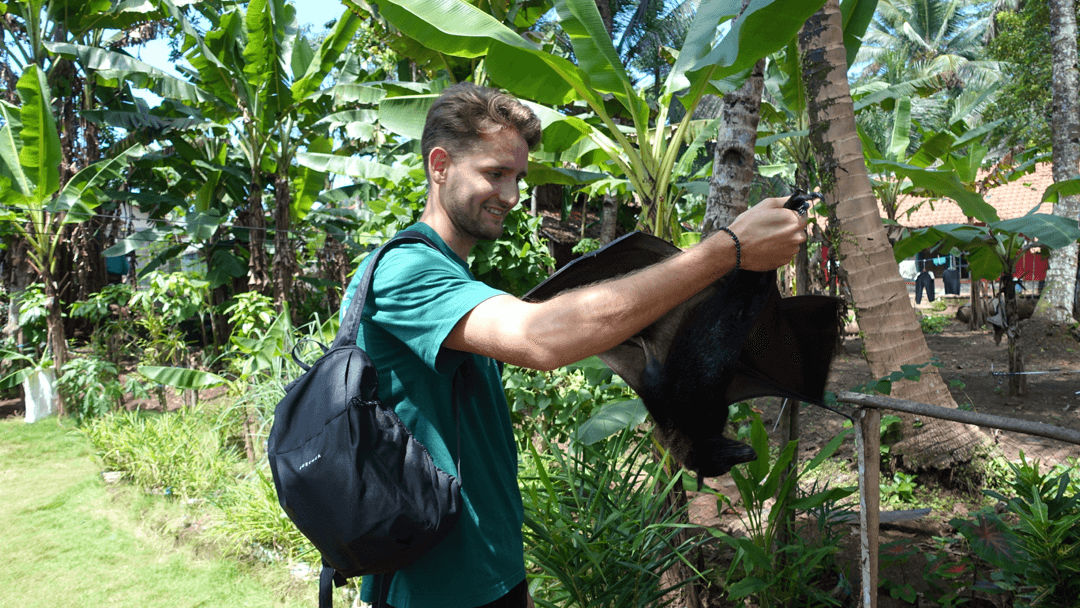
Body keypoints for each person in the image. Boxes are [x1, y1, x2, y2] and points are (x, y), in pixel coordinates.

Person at [341, 82, 808, 608]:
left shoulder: (453, 273)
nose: (513, 196)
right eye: (494, 174)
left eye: (518, 177)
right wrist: (727, 251)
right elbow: (540, 339)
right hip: (428, 588)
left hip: (486, 570)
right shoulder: (404, 270)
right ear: (440, 165)